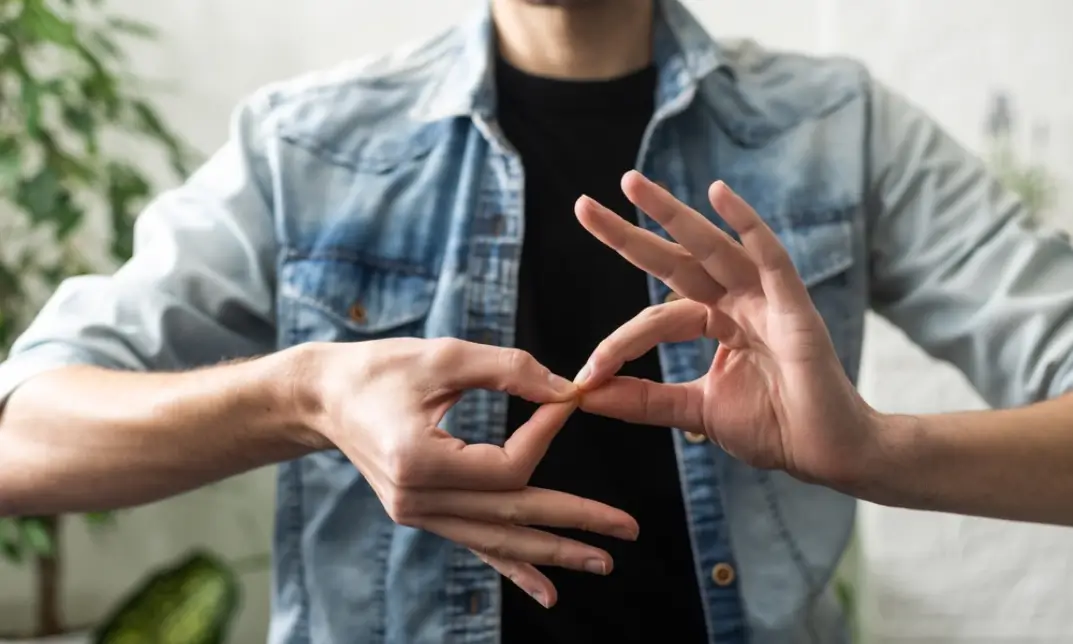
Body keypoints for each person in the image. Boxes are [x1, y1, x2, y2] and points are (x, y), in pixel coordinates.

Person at [2, 0, 1073, 641]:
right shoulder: (305, 143)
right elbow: (21, 434)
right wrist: (301, 395)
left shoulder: (842, 128)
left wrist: (877, 448)